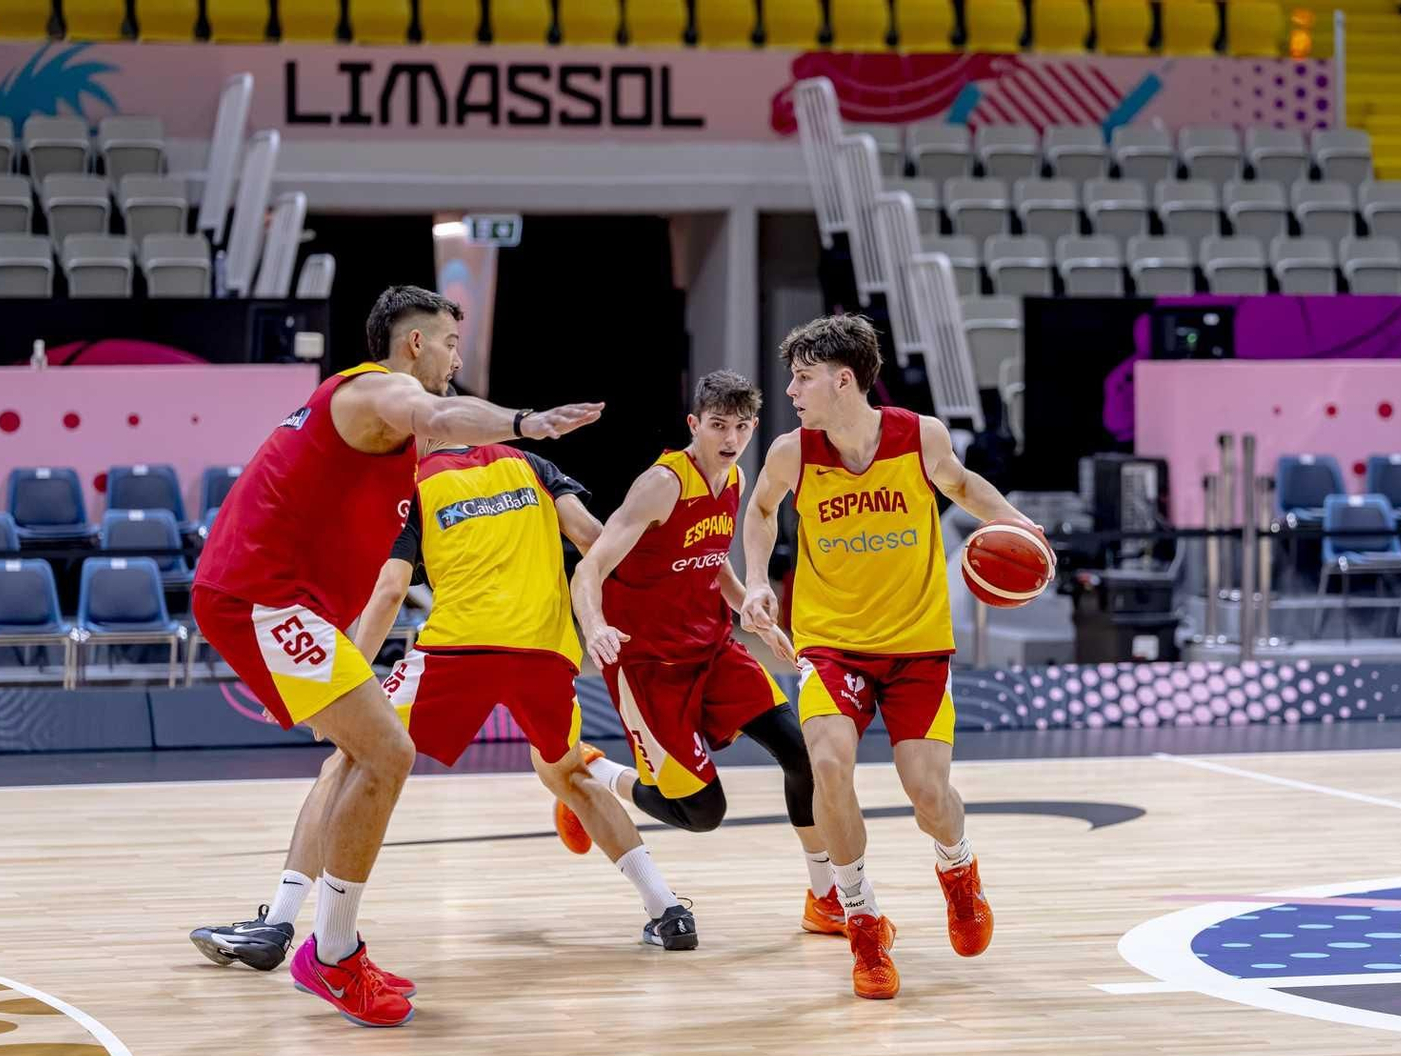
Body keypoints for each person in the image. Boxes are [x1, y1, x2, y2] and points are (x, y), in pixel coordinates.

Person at [188, 285, 602, 1028]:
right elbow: (443, 415)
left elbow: (377, 541)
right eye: (448, 342)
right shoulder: (378, 391)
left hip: (286, 603)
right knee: (388, 753)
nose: (455, 356)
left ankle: (305, 931)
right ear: (416, 344)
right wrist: (526, 422)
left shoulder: (393, 441)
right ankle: (331, 953)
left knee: (364, 753)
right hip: (258, 596)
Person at [190, 438, 699, 982]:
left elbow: (389, 591)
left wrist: (338, 686)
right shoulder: (530, 464)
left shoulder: (413, 482)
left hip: (459, 650)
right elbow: (594, 541)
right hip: (545, 651)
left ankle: (280, 923)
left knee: (348, 760)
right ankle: (667, 911)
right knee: (569, 772)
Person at [739, 314, 1050, 1001]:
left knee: (928, 793)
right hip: (831, 643)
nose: (790, 388)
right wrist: (757, 579)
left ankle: (958, 869)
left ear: (843, 379)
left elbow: (964, 487)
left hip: (915, 645)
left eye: (803, 376)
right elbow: (759, 512)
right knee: (826, 763)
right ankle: (862, 920)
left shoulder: (919, 435)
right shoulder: (793, 451)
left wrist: (1014, 523)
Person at [566, 370, 855, 938]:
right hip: (648, 665)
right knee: (703, 814)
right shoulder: (662, 484)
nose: (730, 437)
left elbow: (710, 556)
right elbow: (590, 567)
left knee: (802, 753)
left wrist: (750, 607)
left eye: (743, 426)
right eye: (718, 425)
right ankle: (600, 773)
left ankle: (824, 899)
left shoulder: (736, 476)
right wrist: (595, 626)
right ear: (694, 425)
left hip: (714, 648)